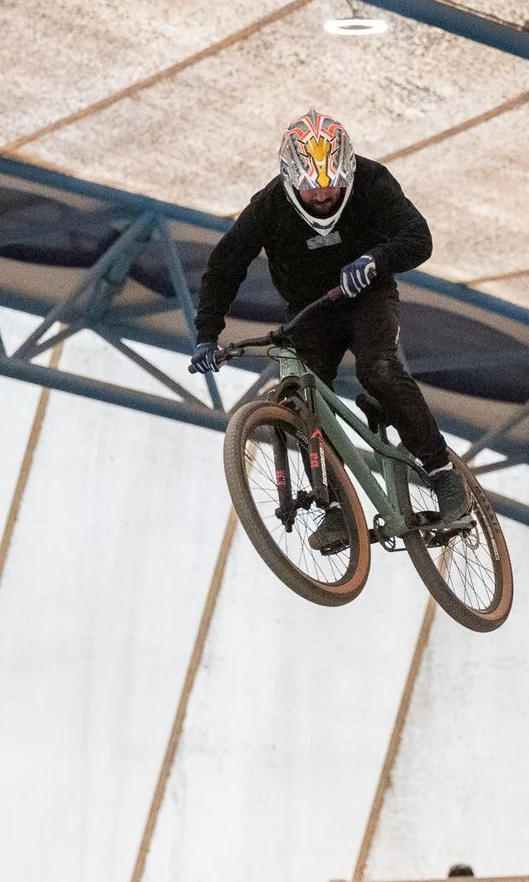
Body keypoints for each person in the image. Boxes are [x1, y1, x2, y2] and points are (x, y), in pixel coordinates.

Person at [191, 110, 466, 554]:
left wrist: (376, 259)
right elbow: (224, 267)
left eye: (332, 185)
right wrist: (207, 333)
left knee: (378, 369)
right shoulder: (268, 206)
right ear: (289, 180)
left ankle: (442, 472)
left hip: (368, 298)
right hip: (310, 312)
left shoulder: (373, 182)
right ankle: (336, 505)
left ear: (349, 172)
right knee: (304, 401)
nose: (321, 195)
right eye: (310, 187)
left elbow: (419, 238)